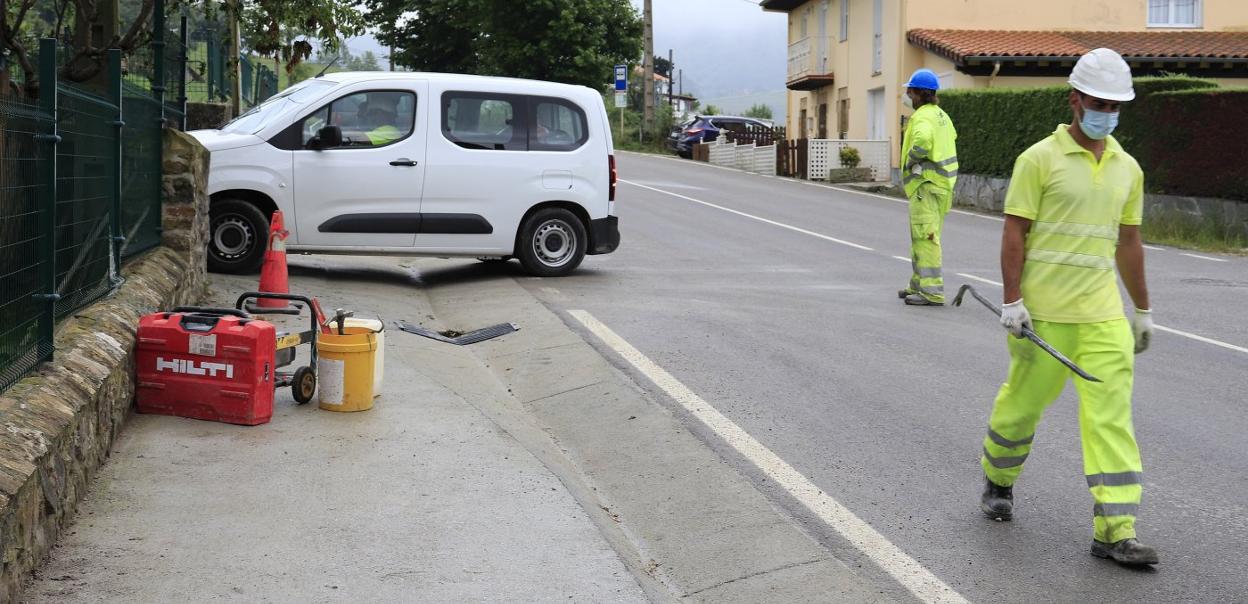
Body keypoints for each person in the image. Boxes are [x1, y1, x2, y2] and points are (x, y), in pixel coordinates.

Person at [977, 48, 1158, 566]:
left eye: (1116, 105)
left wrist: (1141, 309)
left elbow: (1129, 242)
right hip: (1046, 316)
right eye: (1099, 102)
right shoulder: (1039, 159)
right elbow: (1015, 231)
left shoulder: (1128, 168)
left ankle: (1115, 530)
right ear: (1075, 100)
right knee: (1022, 406)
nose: (1107, 112)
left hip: (1103, 317)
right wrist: (1012, 299)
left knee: (1111, 419)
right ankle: (998, 480)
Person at [898, 68, 958, 306]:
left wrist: (912, 159)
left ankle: (932, 292)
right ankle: (917, 284)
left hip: (927, 185)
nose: (908, 96)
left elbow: (922, 141)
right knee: (923, 237)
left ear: (919, 93)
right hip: (942, 186)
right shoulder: (941, 115)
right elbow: (951, 138)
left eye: (910, 92)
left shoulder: (922, 116)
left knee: (925, 238)